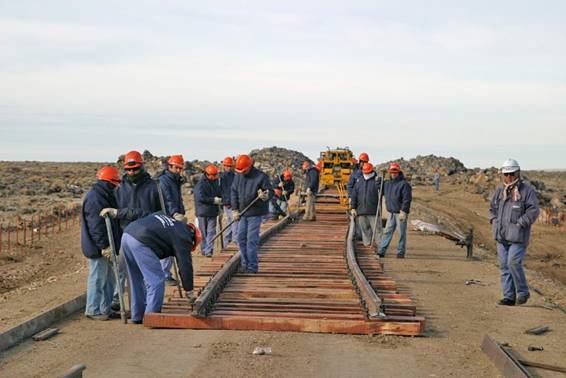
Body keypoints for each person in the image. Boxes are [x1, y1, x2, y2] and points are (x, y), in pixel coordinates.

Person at [100, 150, 161, 310]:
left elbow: (159, 213)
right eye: (128, 169)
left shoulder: (154, 187)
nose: (132, 172)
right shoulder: (119, 189)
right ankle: (126, 305)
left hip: (147, 236)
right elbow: (114, 214)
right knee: (125, 272)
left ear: (142, 166)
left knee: (147, 274)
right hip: (125, 236)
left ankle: (148, 306)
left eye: (135, 168)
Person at [120, 213, 200, 324]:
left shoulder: (172, 223)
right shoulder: (184, 236)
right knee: (156, 280)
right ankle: (151, 317)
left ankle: (137, 315)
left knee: (135, 278)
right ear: (192, 238)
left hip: (127, 234)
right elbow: (184, 265)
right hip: (142, 240)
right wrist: (189, 290)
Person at [489, 159, 540, 306]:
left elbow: (533, 210)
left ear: (518, 173)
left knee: (513, 262)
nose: (509, 177)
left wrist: (521, 223)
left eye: (511, 174)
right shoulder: (500, 191)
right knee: (504, 266)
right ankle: (509, 297)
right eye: (506, 174)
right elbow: (492, 208)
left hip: (518, 237)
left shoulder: (527, 191)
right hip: (501, 236)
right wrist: (494, 220)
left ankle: (523, 292)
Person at [81, 166, 121, 321]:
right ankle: (93, 309)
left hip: (109, 245)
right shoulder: (96, 198)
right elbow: (96, 225)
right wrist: (104, 246)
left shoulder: (105, 194)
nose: (117, 185)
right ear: (108, 182)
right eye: (115, 183)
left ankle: (106, 308)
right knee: (98, 278)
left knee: (110, 278)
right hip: (98, 247)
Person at [231, 154, 272, 273]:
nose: (241, 173)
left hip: (255, 213)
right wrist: (234, 209)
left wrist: (265, 196)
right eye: (239, 171)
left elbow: (270, 191)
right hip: (242, 213)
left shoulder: (261, 177)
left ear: (249, 166)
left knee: (251, 240)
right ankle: (245, 263)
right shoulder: (238, 176)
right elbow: (233, 191)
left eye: (243, 170)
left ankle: (252, 267)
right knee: (240, 238)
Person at [159, 154, 187, 285]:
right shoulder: (164, 180)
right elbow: (168, 198)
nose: (179, 170)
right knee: (167, 247)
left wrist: (181, 211)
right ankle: (164, 274)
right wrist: (175, 213)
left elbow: (177, 199)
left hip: (173, 216)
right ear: (170, 166)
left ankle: (165, 273)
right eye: (176, 168)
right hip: (167, 217)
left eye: (180, 168)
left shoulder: (176, 180)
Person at [378, 162, 412, 258]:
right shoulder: (387, 184)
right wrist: (379, 182)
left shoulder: (404, 184)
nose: (393, 173)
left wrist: (404, 211)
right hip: (391, 213)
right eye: (392, 172)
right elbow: (380, 189)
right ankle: (381, 250)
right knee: (387, 231)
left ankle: (400, 252)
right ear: (390, 172)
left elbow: (407, 199)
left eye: (395, 172)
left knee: (401, 233)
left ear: (399, 172)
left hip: (400, 213)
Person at [350, 163, 382, 249]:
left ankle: (380, 248)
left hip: (373, 211)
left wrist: (380, 184)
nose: (366, 174)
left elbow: (382, 192)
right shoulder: (359, 181)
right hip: (361, 211)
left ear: (371, 171)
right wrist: (353, 207)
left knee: (377, 231)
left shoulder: (377, 181)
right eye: (365, 172)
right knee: (365, 230)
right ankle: (367, 246)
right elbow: (354, 195)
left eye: (368, 172)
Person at [194, 164, 222, 257]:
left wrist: (220, 207)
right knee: (203, 233)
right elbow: (200, 197)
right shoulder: (200, 184)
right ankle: (204, 250)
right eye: (213, 175)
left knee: (211, 232)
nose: (214, 177)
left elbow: (219, 194)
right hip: (202, 212)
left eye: (215, 175)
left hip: (213, 212)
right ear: (207, 174)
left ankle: (209, 250)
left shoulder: (215, 182)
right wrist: (213, 200)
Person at [219, 156, 238, 245]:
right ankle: (234, 239)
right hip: (228, 203)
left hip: (233, 202)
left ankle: (228, 240)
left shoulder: (234, 176)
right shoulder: (221, 177)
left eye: (230, 166)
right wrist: (226, 202)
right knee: (234, 221)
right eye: (227, 166)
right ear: (224, 166)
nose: (229, 168)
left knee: (232, 221)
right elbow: (221, 191)